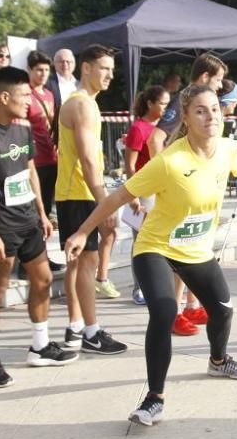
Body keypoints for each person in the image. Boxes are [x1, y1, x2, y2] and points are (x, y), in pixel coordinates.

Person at [66, 84, 237, 426]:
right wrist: (82, 231)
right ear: (187, 119)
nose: (211, 116)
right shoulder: (170, 161)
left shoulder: (225, 149)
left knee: (223, 311)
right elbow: (118, 197)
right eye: (200, 111)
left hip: (196, 251)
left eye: (215, 109)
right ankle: (154, 399)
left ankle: (219, 361)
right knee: (164, 311)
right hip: (156, 248)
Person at [0, 66, 78, 387]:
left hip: (29, 222)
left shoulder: (23, 130)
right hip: (1, 228)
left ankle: (40, 346)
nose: (30, 99)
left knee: (42, 280)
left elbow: (30, 173)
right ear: (4, 96)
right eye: (24, 95)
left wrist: (43, 214)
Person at [148, 55, 228, 335]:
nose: (220, 87)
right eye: (217, 80)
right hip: (184, 186)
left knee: (198, 247)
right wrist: (167, 179)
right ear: (205, 77)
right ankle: (176, 311)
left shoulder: (206, 103)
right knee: (180, 251)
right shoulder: (182, 102)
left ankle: (193, 304)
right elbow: (155, 138)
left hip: (203, 185)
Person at [54, 44, 127, 354]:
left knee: (81, 264)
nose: (109, 75)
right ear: (86, 68)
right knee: (86, 263)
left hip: (80, 191)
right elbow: (86, 158)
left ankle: (78, 327)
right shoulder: (81, 105)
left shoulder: (88, 104)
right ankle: (90, 332)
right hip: (78, 193)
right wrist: (104, 201)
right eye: (104, 68)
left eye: (112, 69)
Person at [121, 85, 170, 304]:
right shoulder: (138, 129)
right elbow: (130, 166)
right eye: (162, 103)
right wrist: (133, 196)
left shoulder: (163, 128)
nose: (166, 108)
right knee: (141, 240)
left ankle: (158, 284)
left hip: (162, 190)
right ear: (150, 103)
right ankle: (139, 287)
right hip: (143, 192)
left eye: (168, 103)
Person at [25, 51, 64, 275]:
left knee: (46, 210)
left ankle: (44, 256)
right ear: (30, 70)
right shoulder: (25, 95)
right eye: (38, 70)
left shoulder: (49, 94)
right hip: (34, 159)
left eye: (46, 70)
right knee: (33, 209)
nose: (42, 74)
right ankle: (29, 259)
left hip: (52, 156)